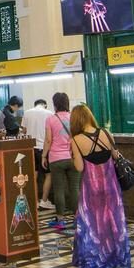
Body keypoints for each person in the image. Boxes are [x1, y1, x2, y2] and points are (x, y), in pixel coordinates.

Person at [69, 104, 133, 268]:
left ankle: (91, 264)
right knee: (111, 224)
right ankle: (109, 264)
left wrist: (74, 154)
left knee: (90, 225)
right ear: (89, 116)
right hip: (111, 187)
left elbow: (80, 167)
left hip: (90, 189)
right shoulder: (106, 133)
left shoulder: (75, 140)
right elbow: (115, 156)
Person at [44, 93, 79, 228]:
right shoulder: (74, 118)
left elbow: (48, 139)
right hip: (73, 156)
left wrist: (44, 156)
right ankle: (77, 218)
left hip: (56, 159)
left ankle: (60, 220)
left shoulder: (50, 119)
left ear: (55, 104)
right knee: (75, 188)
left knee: (59, 189)